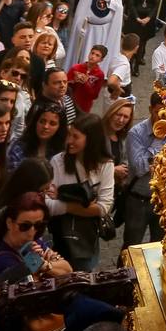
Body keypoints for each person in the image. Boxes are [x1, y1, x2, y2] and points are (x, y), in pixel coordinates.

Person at [0, 192, 71, 331]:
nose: (32, 232)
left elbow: (67, 270)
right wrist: (46, 265)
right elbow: (36, 292)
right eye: (25, 226)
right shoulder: (1, 259)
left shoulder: (31, 243)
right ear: (9, 223)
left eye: (39, 225)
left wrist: (44, 266)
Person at [47, 113, 115, 272]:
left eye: (75, 137)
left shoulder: (105, 165)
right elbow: (48, 204)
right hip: (60, 237)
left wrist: (64, 203)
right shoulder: (58, 161)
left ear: (90, 139)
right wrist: (87, 206)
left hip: (86, 238)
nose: (69, 141)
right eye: (69, 134)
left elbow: (104, 207)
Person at [123, 91, 166, 249]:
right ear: (150, 110)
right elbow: (140, 167)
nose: (163, 118)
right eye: (159, 113)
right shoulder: (136, 133)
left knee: (158, 246)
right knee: (131, 246)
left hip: (162, 201)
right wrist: (158, 140)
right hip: (138, 200)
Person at [67, 0, 124, 72]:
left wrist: (110, 2)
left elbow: (119, 9)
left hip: (106, 31)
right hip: (90, 31)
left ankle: (99, 73)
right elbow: (80, 13)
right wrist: (80, 28)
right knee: (87, 53)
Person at [102, 97, 134, 237]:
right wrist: (113, 170)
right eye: (118, 114)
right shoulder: (97, 134)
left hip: (110, 193)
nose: (121, 120)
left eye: (125, 117)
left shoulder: (121, 138)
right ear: (111, 113)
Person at [123, 0, 160, 73]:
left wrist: (148, 18)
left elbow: (155, 5)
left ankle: (137, 65)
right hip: (135, 18)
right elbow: (131, 3)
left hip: (148, 19)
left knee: (142, 42)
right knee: (133, 41)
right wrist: (137, 18)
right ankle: (130, 63)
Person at [9, 102, 67, 168]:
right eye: (42, 121)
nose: (46, 126)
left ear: (60, 127)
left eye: (52, 123)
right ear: (35, 122)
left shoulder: (62, 152)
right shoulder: (19, 146)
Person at [68, 46, 108, 114]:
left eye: (97, 55)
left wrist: (86, 83)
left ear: (101, 60)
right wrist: (74, 81)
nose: (93, 56)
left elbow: (95, 95)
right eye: (92, 53)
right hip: (70, 103)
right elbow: (65, 84)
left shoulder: (100, 74)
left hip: (84, 107)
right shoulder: (76, 68)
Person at [103, 35, 135, 102]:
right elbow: (111, 81)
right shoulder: (124, 64)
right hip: (118, 99)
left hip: (112, 95)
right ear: (136, 48)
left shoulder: (117, 56)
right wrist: (117, 90)